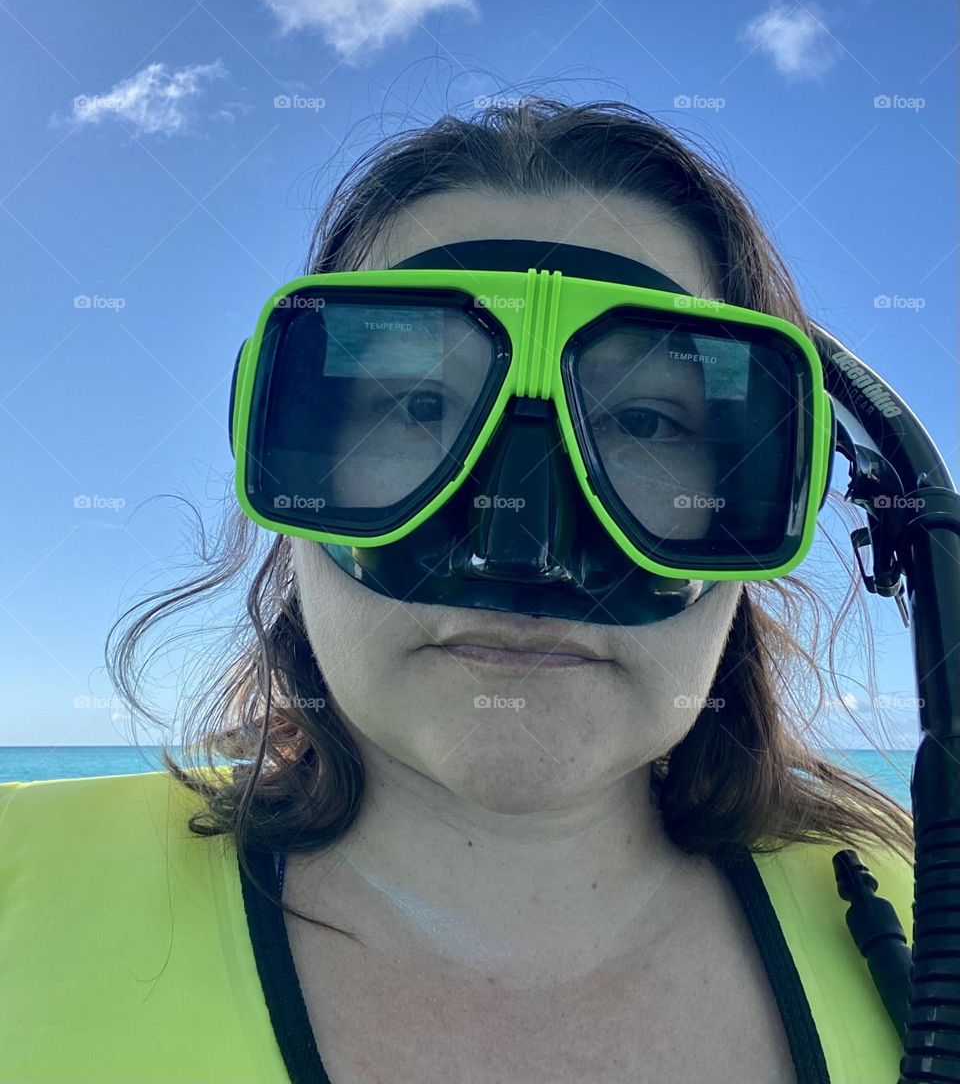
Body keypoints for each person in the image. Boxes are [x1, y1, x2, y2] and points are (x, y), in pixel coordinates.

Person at [0, 99, 914, 1084]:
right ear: (287, 452)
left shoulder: (918, 926)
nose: (516, 542)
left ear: (764, 489)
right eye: (420, 404)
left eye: (647, 421)